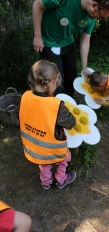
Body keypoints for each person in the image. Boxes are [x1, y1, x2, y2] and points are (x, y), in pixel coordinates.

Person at [32, 0, 109, 97]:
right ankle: (55, 107)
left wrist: (84, 68)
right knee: (56, 81)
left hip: (68, 42)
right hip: (49, 42)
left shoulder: (92, 16)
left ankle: (68, 104)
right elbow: (37, 4)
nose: (99, 19)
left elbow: (85, 41)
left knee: (71, 77)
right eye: (100, 17)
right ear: (94, 5)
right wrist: (37, 36)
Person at [19, 60, 76, 190]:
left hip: (33, 149)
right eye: (57, 81)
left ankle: (46, 181)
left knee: (43, 163)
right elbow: (70, 123)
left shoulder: (25, 96)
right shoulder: (56, 105)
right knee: (65, 158)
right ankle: (61, 180)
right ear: (51, 82)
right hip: (53, 149)